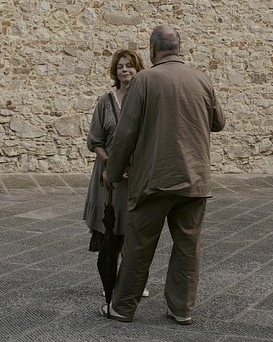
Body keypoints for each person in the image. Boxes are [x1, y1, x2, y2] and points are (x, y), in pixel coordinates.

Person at [100, 25, 225, 325]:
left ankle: (122, 308)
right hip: (194, 179)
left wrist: (112, 172)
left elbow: (125, 133)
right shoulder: (202, 79)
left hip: (153, 179)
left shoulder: (144, 80)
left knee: (138, 247)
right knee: (187, 248)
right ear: (179, 48)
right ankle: (182, 309)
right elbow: (218, 123)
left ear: (153, 50)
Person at [83, 49, 146, 252]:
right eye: (120, 67)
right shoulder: (105, 102)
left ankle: (129, 272)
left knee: (133, 232)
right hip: (107, 174)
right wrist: (111, 165)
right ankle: (110, 269)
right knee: (109, 231)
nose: (124, 70)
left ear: (138, 70)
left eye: (129, 66)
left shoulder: (145, 100)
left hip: (135, 175)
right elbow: (95, 141)